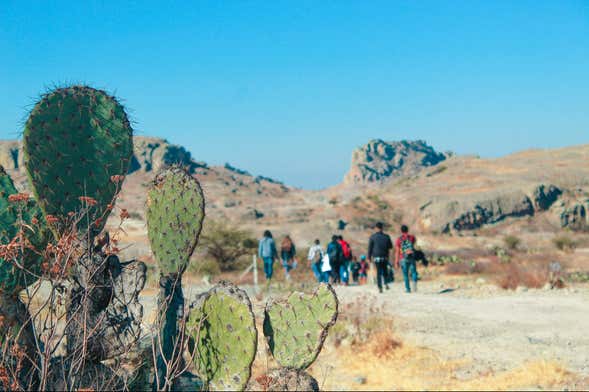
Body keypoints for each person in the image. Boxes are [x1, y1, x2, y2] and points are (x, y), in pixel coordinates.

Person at [367, 222, 393, 293]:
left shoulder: (372, 237)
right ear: (382, 228)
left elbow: (370, 248)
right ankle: (386, 283)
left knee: (378, 272)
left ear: (376, 228)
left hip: (376, 257)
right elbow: (390, 246)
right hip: (385, 256)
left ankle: (380, 287)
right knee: (385, 271)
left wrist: (369, 257)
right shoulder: (387, 236)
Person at [395, 225, 418, 293]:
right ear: (407, 230)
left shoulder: (399, 239)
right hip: (411, 257)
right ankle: (414, 286)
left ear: (401, 231)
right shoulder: (412, 237)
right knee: (414, 272)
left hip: (403, 258)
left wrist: (396, 261)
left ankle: (408, 289)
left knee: (405, 274)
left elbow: (397, 251)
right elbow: (414, 244)